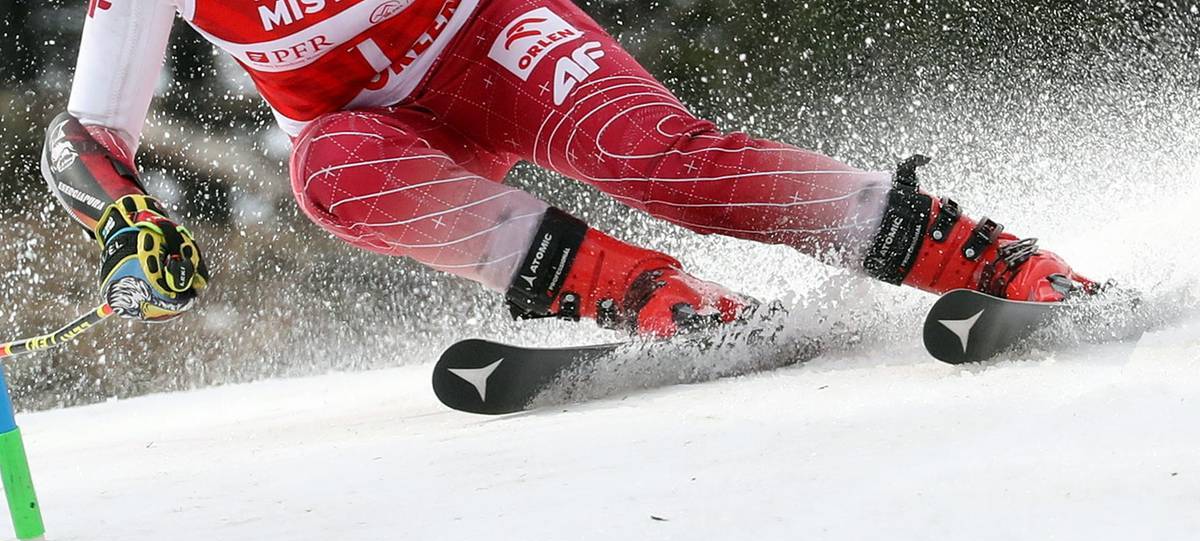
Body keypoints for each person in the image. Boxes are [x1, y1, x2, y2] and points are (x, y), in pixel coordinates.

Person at [42, 0, 1096, 337]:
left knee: (655, 160)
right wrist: (126, 221)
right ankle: (657, 300)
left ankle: (977, 253)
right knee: (332, 169)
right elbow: (86, 136)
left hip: (491, 41)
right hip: (386, 130)